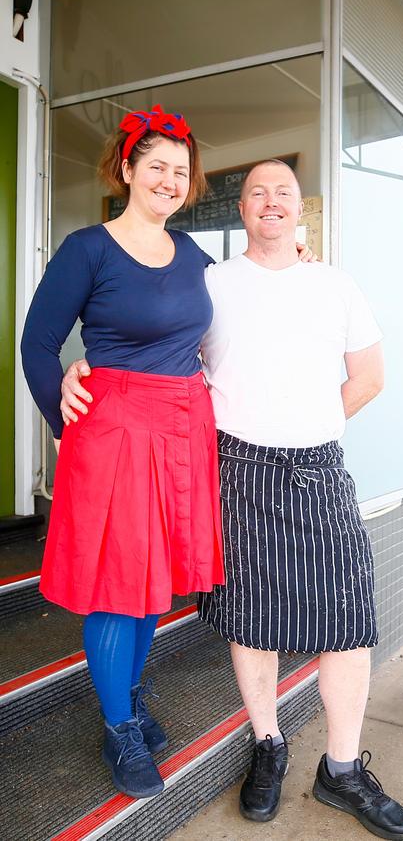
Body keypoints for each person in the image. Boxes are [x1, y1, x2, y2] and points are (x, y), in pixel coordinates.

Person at [61, 159, 403, 838]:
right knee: (251, 618)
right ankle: (268, 743)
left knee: (349, 618)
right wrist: (87, 366)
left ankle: (341, 768)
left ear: (300, 208)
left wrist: (308, 422)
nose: (271, 201)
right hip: (237, 468)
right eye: (258, 192)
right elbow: (153, 343)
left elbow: (369, 376)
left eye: (284, 191)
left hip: (319, 468)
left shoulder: (334, 282)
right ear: (242, 209)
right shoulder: (209, 281)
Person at [20, 105, 226, 800]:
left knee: (150, 585)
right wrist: (60, 412)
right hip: (113, 434)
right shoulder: (89, 248)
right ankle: (118, 727)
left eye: (181, 170)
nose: (169, 180)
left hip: (179, 431)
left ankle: (130, 702)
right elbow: (37, 345)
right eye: (157, 166)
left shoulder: (198, 258)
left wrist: (301, 259)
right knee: (116, 583)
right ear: (129, 170)